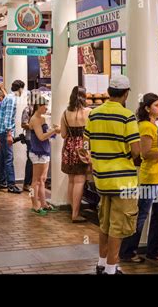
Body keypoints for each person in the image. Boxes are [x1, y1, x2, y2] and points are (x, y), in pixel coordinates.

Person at [84, 75, 141, 275]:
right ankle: (110, 268)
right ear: (126, 93)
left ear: (108, 92)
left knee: (105, 222)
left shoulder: (94, 114)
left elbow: (87, 142)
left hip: (101, 178)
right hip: (123, 180)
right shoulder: (127, 116)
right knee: (119, 224)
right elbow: (135, 150)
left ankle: (101, 263)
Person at [120, 93, 158, 263]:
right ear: (147, 108)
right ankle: (128, 251)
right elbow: (146, 154)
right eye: (156, 105)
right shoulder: (147, 126)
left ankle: (153, 250)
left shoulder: (154, 124)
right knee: (142, 214)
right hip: (150, 177)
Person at [60, 86, 91, 223]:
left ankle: (72, 210)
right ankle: (75, 214)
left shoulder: (65, 113)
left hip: (68, 147)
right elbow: (91, 134)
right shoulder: (89, 112)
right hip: (83, 147)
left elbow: (63, 134)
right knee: (80, 180)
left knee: (71, 180)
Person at [29, 96, 60, 215]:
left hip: (44, 151)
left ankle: (43, 203)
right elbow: (41, 137)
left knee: (42, 179)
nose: (46, 108)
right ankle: (34, 204)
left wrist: (53, 131)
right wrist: (53, 131)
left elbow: (45, 135)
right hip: (38, 153)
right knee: (35, 181)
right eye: (45, 106)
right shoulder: (35, 119)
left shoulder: (41, 119)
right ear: (38, 106)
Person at [0, 79, 25, 194]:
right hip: (6, 131)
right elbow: (8, 117)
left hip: (1, 131)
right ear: (20, 88)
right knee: (9, 158)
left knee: (3, 157)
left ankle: (2, 181)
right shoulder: (12, 99)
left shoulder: (8, 97)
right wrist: (9, 133)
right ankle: (11, 184)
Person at [21, 99, 34, 192]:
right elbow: (23, 124)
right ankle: (27, 183)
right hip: (30, 138)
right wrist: (33, 126)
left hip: (37, 138)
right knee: (30, 160)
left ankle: (32, 182)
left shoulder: (38, 109)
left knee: (34, 161)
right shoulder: (27, 109)